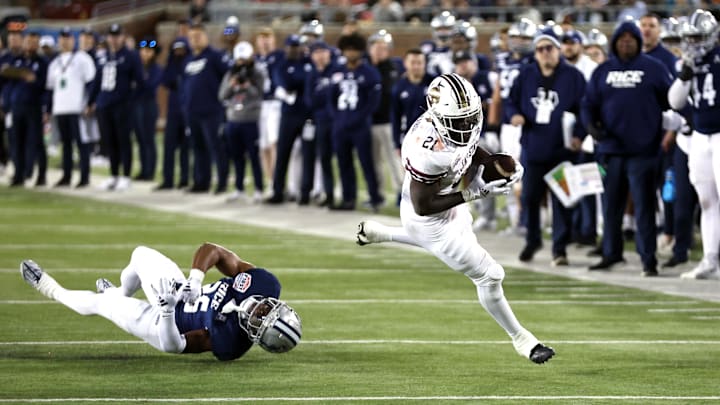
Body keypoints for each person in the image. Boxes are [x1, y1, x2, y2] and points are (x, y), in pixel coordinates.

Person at [355, 73, 555, 364]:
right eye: (459, 121)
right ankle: (522, 339)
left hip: (441, 208)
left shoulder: (458, 121)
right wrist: (472, 194)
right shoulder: (425, 150)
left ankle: (379, 233)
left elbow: (468, 148)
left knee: (457, 237)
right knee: (490, 275)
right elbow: (424, 206)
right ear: (437, 117)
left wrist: (492, 161)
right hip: (429, 220)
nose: (468, 125)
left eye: (470, 117)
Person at [19, 242, 302, 360]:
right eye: (268, 308)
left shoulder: (231, 343)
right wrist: (194, 280)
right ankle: (118, 291)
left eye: (260, 318)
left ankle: (46, 285)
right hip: (180, 289)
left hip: (164, 322)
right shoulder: (266, 284)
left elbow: (175, 346)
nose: (260, 308)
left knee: (99, 305)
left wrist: (166, 312)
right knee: (140, 254)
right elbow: (212, 251)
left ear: (256, 336)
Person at [580, 18, 673, 276]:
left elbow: (671, 100)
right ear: (614, 43)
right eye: (622, 39)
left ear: (639, 42)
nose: (626, 43)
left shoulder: (654, 68)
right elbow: (588, 104)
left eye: (631, 39)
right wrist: (591, 126)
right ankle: (611, 253)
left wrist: (670, 126)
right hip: (610, 150)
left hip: (644, 151)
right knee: (610, 206)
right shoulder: (603, 71)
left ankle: (648, 258)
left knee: (644, 206)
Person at [507, 28, 587, 265]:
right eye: (540, 49)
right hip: (533, 147)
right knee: (530, 198)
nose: (544, 53)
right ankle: (533, 240)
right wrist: (514, 116)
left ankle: (559, 248)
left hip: (563, 149)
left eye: (548, 48)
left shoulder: (573, 76)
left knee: (562, 199)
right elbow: (511, 102)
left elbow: (585, 108)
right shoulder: (526, 74)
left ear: (558, 50)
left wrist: (579, 135)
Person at [668, 9, 720, 280]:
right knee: (707, 200)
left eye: (698, 37)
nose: (693, 43)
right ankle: (710, 260)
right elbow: (675, 102)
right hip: (700, 135)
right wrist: (685, 76)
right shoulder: (687, 64)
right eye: (690, 37)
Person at [329, 33, 383, 211]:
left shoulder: (369, 73)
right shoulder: (337, 71)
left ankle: (374, 197)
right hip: (341, 125)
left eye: (354, 50)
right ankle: (348, 198)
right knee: (343, 163)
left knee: (366, 163)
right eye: (347, 50)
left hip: (360, 126)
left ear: (360, 51)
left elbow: (373, 102)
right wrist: (337, 117)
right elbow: (330, 98)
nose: (350, 53)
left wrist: (359, 118)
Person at [88, 24, 144, 191]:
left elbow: (140, 81)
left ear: (123, 36)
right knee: (109, 141)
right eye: (111, 36)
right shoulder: (103, 56)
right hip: (104, 104)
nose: (114, 39)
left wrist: (130, 101)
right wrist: (90, 101)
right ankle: (113, 175)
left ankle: (125, 176)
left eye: (117, 35)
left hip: (122, 106)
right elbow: (97, 82)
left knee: (123, 141)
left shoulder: (131, 56)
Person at [46, 26, 96, 188]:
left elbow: (91, 82)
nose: (65, 41)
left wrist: (89, 103)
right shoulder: (55, 63)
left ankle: (84, 176)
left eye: (68, 38)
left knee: (81, 143)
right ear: (59, 40)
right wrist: (48, 109)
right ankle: (66, 176)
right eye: (62, 38)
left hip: (77, 108)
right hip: (60, 108)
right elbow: (51, 89)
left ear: (73, 40)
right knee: (66, 144)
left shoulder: (82, 59)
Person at [183, 23, 229, 193]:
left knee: (216, 147)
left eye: (198, 36)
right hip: (192, 111)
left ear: (205, 36)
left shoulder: (215, 56)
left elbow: (227, 76)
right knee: (197, 148)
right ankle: (201, 181)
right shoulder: (188, 60)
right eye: (191, 37)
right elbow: (185, 85)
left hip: (211, 110)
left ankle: (222, 182)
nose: (195, 40)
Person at [219, 41, 265, 203]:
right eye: (239, 60)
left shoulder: (258, 73)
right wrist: (232, 85)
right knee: (237, 157)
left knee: (253, 156)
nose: (241, 63)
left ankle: (259, 189)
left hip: (250, 119)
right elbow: (222, 95)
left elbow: (260, 94)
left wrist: (247, 85)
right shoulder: (230, 73)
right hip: (233, 119)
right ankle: (239, 189)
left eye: (244, 59)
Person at [133, 37, 162, 181]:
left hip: (149, 105)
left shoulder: (156, 69)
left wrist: (139, 84)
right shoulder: (137, 68)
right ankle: (143, 169)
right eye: (143, 50)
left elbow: (150, 87)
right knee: (140, 139)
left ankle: (150, 171)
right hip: (137, 105)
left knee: (148, 138)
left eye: (149, 51)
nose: (145, 53)